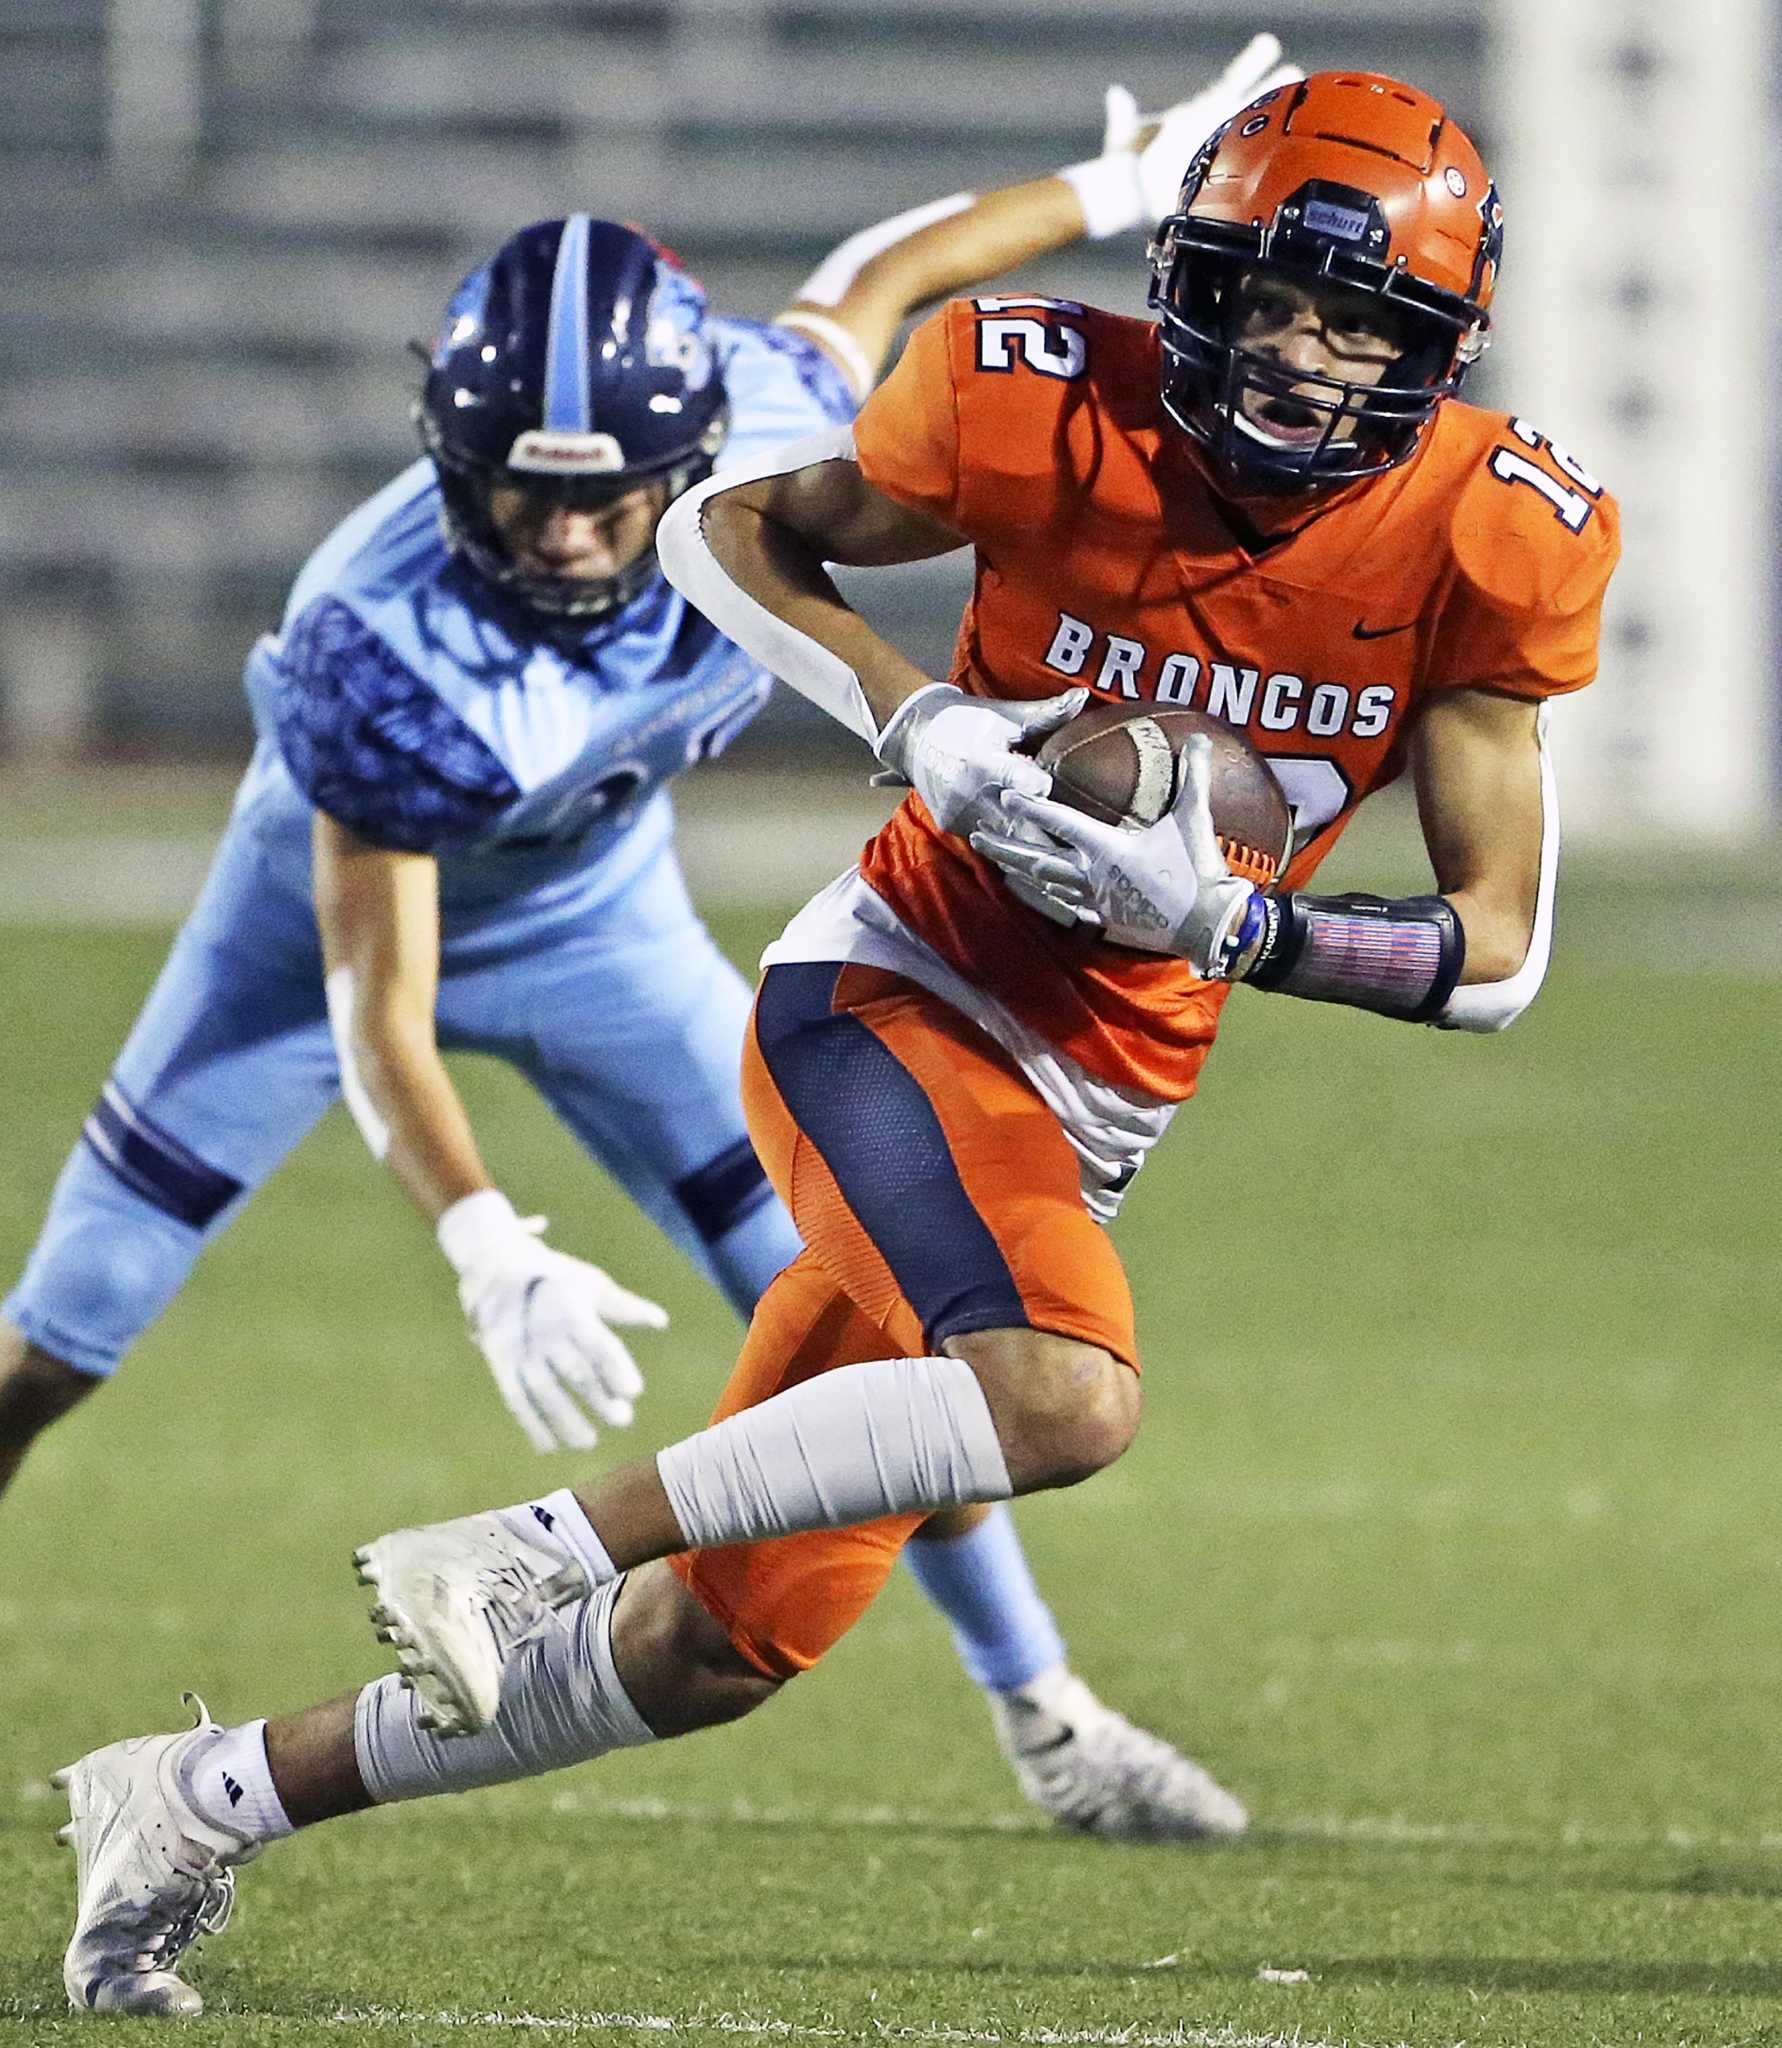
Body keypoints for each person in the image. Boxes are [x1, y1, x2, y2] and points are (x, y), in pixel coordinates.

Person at [52, 65, 1618, 2022]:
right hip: (890, 1001)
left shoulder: (1495, 528)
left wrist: (1231, 922)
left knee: (710, 1657)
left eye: (1363, 317)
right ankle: (526, 1542)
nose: (1307, 357)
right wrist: (910, 711)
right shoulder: (1046, 388)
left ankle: (192, 1800)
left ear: (1437, 342)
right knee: (1064, 1399)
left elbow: (1493, 958)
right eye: (1271, 298)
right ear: (1189, 278)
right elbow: (723, 534)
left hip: (1095, 1092)